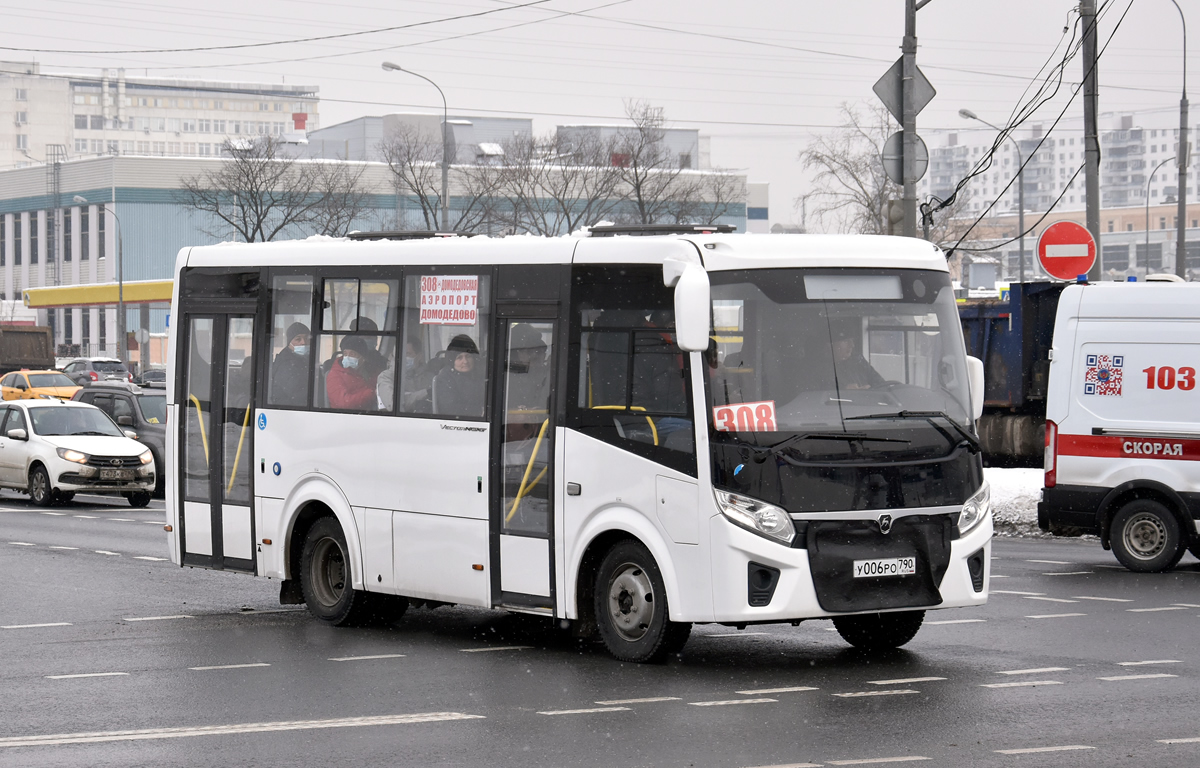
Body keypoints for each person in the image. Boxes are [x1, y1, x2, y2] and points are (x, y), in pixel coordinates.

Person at [433, 334, 485, 417]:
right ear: (452, 360)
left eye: (468, 356)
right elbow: (450, 409)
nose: (465, 361)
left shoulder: (482, 374)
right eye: (459, 358)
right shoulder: (445, 378)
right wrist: (480, 411)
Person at [327, 335, 379, 410]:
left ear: (363, 358)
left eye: (352, 354)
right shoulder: (335, 374)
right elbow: (344, 403)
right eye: (345, 354)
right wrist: (371, 393)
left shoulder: (370, 372)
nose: (347, 357)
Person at [831, 323, 885, 390]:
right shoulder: (818, 369)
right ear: (830, 344)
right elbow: (819, 392)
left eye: (852, 341)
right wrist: (844, 390)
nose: (852, 345)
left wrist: (871, 390)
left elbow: (881, 384)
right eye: (845, 341)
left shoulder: (858, 360)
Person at [269, 322, 310, 406]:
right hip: (287, 411)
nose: (303, 342)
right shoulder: (285, 364)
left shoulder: (304, 359)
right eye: (298, 339)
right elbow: (298, 394)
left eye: (306, 338)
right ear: (289, 342)